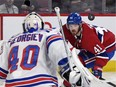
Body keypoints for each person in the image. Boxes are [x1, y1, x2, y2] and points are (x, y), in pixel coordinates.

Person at [0, 12, 80, 87]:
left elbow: (1, 72)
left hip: (13, 84)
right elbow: (61, 54)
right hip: (42, 83)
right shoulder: (48, 34)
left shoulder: (11, 41)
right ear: (41, 24)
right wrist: (70, 69)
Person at [62, 12, 115, 86]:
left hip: (107, 48)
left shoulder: (88, 38)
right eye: (70, 26)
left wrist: (97, 68)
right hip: (92, 47)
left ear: (80, 25)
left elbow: (102, 55)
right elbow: (57, 35)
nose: (72, 28)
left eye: (75, 25)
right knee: (76, 65)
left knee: (77, 67)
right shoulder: (66, 29)